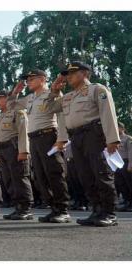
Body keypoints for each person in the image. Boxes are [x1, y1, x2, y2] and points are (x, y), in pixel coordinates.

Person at [49, 61, 120, 227]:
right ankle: (96, 210)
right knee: (85, 175)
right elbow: (50, 108)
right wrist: (54, 90)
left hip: (94, 135)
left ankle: (108, 213)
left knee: (101, 173)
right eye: (67, 74)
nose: (69, 77)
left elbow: (108, 113)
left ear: (85, 73)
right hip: (76, 138)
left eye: (73, 73)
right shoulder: (67, 97)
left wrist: (112, 139)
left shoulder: (97, 89)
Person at [10, 69, 71, 223]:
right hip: (34, 140)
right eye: (27, 80)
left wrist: (62, 139)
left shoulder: (52, 94)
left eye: (31, 79)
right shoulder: (30, 98)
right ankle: (53, 208)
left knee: (54, 173)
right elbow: (12, 106)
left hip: (49, 137)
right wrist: (15, 92)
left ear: (42, 79)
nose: (28, 82)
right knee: (40, 176)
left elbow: (62, 115)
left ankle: (63, 209)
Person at [0, 90, 34, 220]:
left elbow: (23, 131)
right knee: (9, 179)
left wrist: (24, 151)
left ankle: (25, 208)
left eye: (0, 98)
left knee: (19, 178)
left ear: (8, 98)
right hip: (3, 150)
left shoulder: (18, 111)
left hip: (14, 148)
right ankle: (18, 207)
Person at [116, 122, 132, 212]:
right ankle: (127, 201)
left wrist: (130, 165)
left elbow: (131, 152)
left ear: (122, 128)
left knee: (129, 183)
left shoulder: (128, 138)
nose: (116, 129)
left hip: (126, 162)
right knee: (121, 184)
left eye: (118, 127)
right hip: (117, 163)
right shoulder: (115, 140)